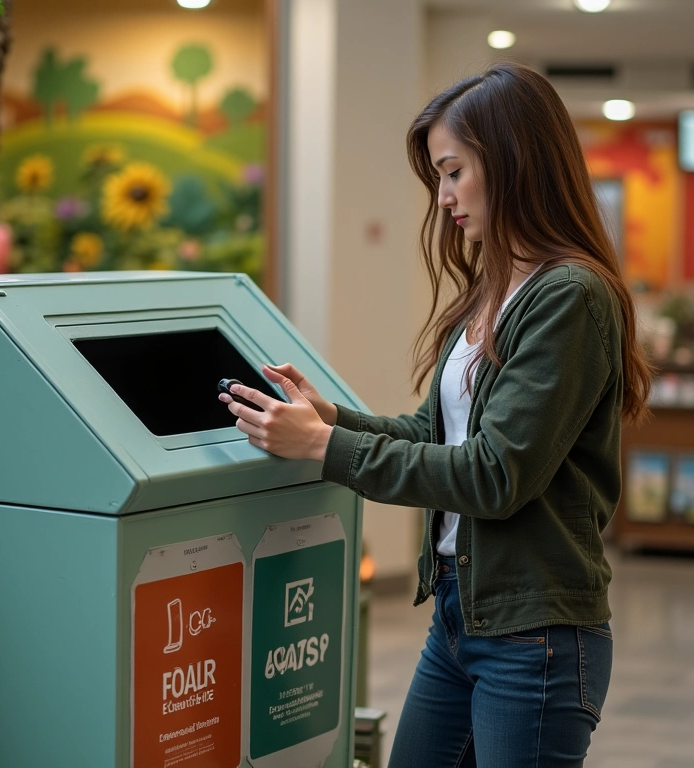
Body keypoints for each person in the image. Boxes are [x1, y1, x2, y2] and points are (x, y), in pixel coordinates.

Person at [218, 61, 652, 767]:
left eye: (453, 172)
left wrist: (326, 446)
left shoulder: (569, 296)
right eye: (438, 177)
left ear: (511, 162)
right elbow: (434, 434)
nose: (443, 196)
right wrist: (335, 419)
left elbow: (494, 474)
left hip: (534, 632)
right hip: (459, 616)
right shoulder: (494, 288)